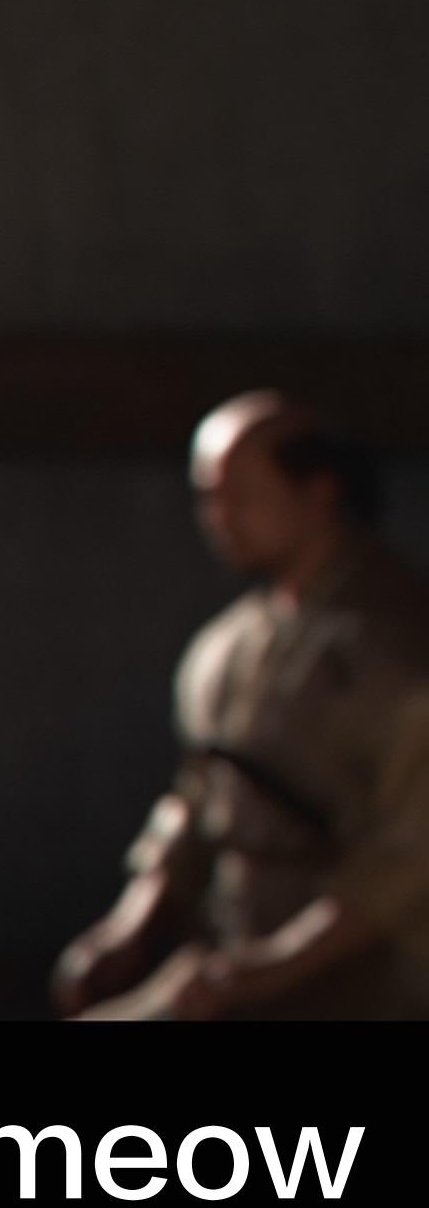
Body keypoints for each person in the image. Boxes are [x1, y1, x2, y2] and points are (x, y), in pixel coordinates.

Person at [57, 392, 429, 1020]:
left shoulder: (397, 642)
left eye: (241, 495)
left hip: (370, 980)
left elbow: (412, 851)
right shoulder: (228, 648)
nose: (220, 516)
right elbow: (201, 795)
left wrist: (272, 966)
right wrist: (131, 923)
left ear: (318, 491)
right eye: (208, 497)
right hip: (235, 954)